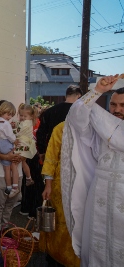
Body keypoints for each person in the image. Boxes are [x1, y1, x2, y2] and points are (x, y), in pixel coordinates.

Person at [61, 76, 124, 266]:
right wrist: (97, 91)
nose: (117, 110)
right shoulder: (101, 127)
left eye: (122, 105)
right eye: (113, 104)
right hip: (99, 198)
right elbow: (76, 116)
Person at [40, 122, 80, 267]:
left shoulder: (96, 128)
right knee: (57, 222)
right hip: (61, 186)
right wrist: (48, 185)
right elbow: (51, 157)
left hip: (86, 189)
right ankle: (54, 255)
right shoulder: (61, 128)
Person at [36, 85, 82, 163]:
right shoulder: (81, 112)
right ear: (79, 96)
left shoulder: (50, 111)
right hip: (75, 152)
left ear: (66, 96)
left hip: (53, 151)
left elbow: (41, 133)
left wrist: (42, 151)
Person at [0, 101, 19, 197]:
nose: (10, 117)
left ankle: (8, 187)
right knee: (14, 165)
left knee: (6, 169)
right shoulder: (6, 123)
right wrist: (15, 141)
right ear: (3, 111)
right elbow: (10, 136)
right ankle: (15, 186)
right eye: (9, 114)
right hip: (6, 145)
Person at [13, 104, 37, 186]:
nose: (22, 118)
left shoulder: (25, 123)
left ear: (31, 116)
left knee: (14, 163)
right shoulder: (29, 122)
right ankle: (28, 178)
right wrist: (16, 124)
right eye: (21, 115)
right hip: (27, 146)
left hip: (22, 146)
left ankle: (15, 185)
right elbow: (19, 125)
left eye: (25, 116)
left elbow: (18, 131)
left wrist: (9, 129)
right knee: (23, 162)